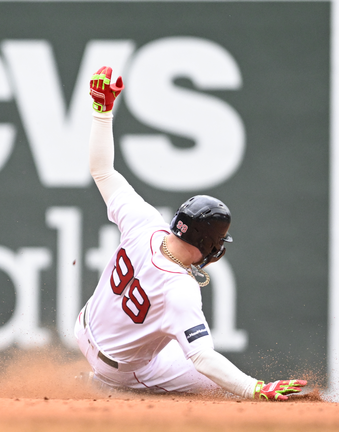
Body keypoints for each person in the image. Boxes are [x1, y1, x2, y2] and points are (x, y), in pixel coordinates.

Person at [75, 66, 306, 400]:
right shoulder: (178, 289)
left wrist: (102, 113)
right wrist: (253, 388)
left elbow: (101, 170)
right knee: (218, 386)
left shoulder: (144, 220)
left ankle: (114, 378)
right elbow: (203, 358)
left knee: (169, 340)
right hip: (118, 367)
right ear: (205, 243)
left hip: (83, 328)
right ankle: (109, 387)